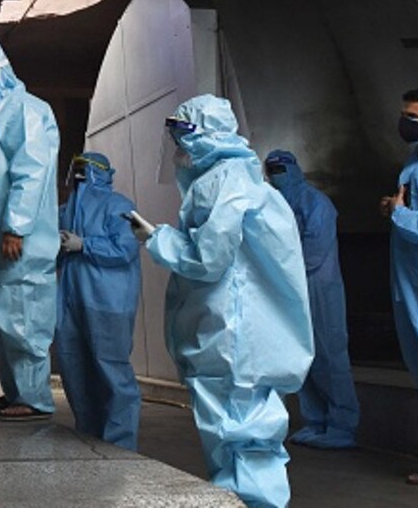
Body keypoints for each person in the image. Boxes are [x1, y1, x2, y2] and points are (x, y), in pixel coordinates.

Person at [132, 94, 313, 508]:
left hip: (230, 333)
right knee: (244, 435)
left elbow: (209, 257)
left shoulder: (223, 181)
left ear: (200, 135)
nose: (176, 150)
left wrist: (158, 239)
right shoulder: (239, 176)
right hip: (240, 331)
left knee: (238, 432)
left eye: (180, 136)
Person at [0, 36, 60, 422]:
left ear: (0, 71)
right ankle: (16, 392)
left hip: (17, 239)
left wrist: (15, 226)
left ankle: (35, 399)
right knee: (6, 319)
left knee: (24, 316)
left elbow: (30, 171)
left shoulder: (24, 109)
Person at [265, 149, 359, 450]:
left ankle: (342, 426)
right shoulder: (275, 204)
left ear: (294, 170)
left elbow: (314, 252)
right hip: (290, 289)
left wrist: (279, 270)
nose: (276, 175)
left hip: (318, 288)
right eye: (272, 169)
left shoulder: (317, 204)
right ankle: (315, 422)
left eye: (281, 169)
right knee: (302, 358)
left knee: (330, 356)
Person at [56, 152, 142, 449]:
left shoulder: (119, 206)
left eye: (85, 169)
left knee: (112, 369)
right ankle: (89, 435)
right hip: (70, 301)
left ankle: (120, 444)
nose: (79, 175)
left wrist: (84, 244)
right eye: (75, 168)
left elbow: (125, 249)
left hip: (108, 302)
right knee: (75, 369)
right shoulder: (66, 210)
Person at [379, 88, 418, 486]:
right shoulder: (415, 162)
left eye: (413, 117)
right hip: (415, 285)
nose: (406, 123)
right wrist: (395, 209)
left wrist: (402, 217)